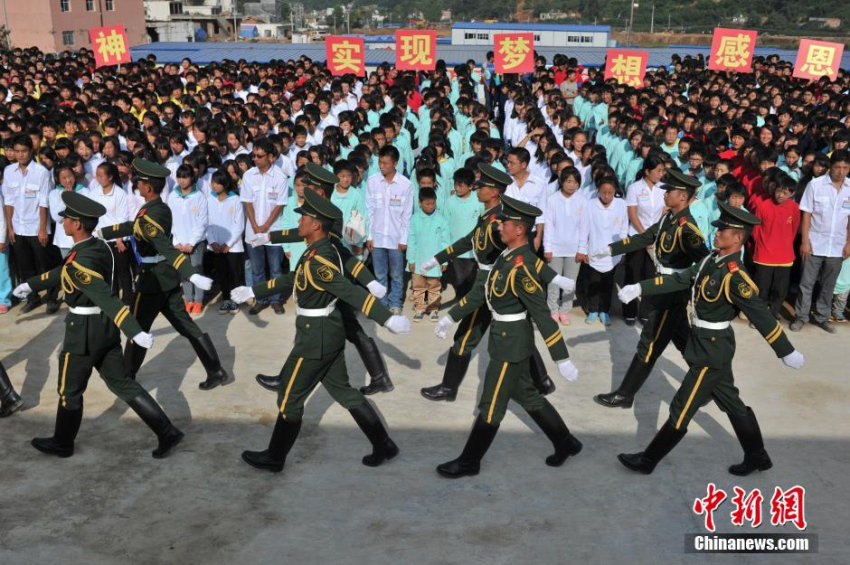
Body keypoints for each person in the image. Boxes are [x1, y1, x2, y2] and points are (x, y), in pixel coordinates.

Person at [230, 189, 411, 473]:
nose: (299, 221)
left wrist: (387, 319)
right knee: (343, 391)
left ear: (316, 225)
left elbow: (349, 291)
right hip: (324, 333)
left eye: (304, 217)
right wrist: (253, 289)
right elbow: (292, 278)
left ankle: (275, 457)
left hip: (317, 337)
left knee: (289, 398)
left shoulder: (320, 259)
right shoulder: (317, 251)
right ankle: (384, 444)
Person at [616, 202, 805, 474]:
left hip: (712, 353)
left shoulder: (735, 277)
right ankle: (758, 456)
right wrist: (640, 287)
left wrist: (785, 350)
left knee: (681, 408)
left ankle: (647, 461)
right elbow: (681, 280)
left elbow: (761, 315)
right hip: (704, 345)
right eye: (718, 229)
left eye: (723, 231)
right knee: (730, 400)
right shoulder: (710, 260)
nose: (716, 234)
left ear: (738, 238)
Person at [12, 191, 183, 458]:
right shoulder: (97, 247)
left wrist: (134, 330)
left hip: (83, 333)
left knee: (69, 391)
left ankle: (62, 442)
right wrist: (32, 284)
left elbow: (105, 295)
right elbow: (65, 272)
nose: (63, 222)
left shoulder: (81, 257)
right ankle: (167, 431)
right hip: (105, 329)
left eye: (66, 219)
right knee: (123, 383)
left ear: (77, 224)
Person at [432, 196, 582, 478]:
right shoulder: (507, 256)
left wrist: (561, 357)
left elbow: (541, 313)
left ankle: (469, 462)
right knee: (527, 395)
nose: (499, 227)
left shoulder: (522, 265)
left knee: (491, 405)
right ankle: (566, 442)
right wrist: (450, 317)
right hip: (504, 339)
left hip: (511, 345)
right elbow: (482, 293)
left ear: (520, 230)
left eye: (505, 224)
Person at [419, 164, 574, 402]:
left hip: (491, 285)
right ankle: (542, 381)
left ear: (494, 192)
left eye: (482, 186)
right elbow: (468, 240)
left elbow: (522, 254)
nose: (477, 188)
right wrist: (438, 258)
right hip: (490, 283)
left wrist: (550, 276)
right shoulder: (489, 217)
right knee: (517, 330)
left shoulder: (499, 223)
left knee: (466, 337)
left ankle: (449, 388)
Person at [252, 163, 394, 396]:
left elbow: (343, 253)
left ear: (321, 191)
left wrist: (368, 281)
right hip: (325, 277)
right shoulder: (321, 208)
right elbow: (300, 232)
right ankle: (380, 377)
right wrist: (270, 236)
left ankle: (378, 377)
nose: (307, 189)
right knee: (341, 329)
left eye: (312, 187)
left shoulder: (330, 214)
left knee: (342, 330)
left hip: (328, 280)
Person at [99, 159, 229, 391]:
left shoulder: (151, 212)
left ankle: (127, 376)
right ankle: (215, 369)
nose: (137, 185)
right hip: (166, 277)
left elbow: (161, 243)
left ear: (148, 187)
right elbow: (134, 226)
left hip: (152, 279)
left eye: (140, 182)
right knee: (185, 325)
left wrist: (190, 273)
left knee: (137, 326)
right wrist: (104, 232)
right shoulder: (157, 208)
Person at [593, 169, 708, 409]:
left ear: (684, 197)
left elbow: (705, 263)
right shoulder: (668, 218)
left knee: (650, 343)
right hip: (663, 288)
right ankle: (710, 385)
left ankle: (625, 394)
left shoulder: (688, 228)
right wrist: (612, 249)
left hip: (671, 292)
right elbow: (646, 237)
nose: (665, 194)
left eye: (670, 192)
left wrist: (688, 284)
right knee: (684, 340)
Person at [790, 150, 850, 334]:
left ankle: (822, 317)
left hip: (838, 246)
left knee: (828, 284)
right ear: (830, 167)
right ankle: (801, 316)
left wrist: (848, 243)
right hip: (814, 244)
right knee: (806, 283)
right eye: (837, 167)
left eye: (845, 167)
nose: (841, 171)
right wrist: (805, 241)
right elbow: (806, 214)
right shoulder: (815, 185)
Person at [2, 134, 59, 313]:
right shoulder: (9, 171)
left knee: (45, 266)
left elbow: (44, 202)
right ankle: (32, 298)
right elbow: (8, 201)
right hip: (18, 228)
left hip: (37, 228)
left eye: (24, 151)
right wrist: (10, 227)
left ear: (31, 151)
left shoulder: (40, 172)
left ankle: (51, 298)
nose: (20, 155)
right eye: (17, 151)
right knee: (25, 267)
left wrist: (42, 229)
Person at [241, 138, 289, 315]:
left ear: (271, 157)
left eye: (259, 156)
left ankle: (276, 300)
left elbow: (280, 204)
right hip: (253, 231)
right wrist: (255, 225)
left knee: (276, 269)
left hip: (274, 231)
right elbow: (247, 202)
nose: (255, 159)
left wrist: (266, 225)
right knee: (257, 269)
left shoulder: (280, 177)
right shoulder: (248, 175)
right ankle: (261, 300)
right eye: (253, 155)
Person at [365, 145, 413, 314]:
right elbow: (369, 211)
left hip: (396, 238)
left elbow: (407, 215)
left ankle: (395, 303)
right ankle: (381, 304)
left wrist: (403, 239)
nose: (381, 166)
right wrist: (369, 236)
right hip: (377, 238)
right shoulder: (372, 182)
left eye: (385, 163)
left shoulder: (405, 185)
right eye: (380, 162)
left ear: (395, 163)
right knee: (379, 275)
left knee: (397, 275)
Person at [576, 177, 628, 326]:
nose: (606, 195)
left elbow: (624, 229)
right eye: (603, 192)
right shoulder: (590, 205)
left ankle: (604, 310)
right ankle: (593, 310)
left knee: (608, 283)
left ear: (615, 192)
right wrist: (582, 250)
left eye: (610, 192)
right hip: (594, 251)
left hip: (613, 254)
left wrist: (623, 250)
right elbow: (584, 229)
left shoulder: (621, 205)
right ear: (598, 191)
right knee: (593, 283)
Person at [543, 167, 584, 325]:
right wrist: (548, 247)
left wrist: (582, 249)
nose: (571, 185)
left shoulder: (582, 200)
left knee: (569, 282)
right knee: (554, 281)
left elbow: (584, 227)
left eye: (575, 182)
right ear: (562, 182)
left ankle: (564, 311)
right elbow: (549, 225)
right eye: (568, 181)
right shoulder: (553, 199)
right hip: (555, 248)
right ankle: (553, 309)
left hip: (574, 249)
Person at [169, 164, 209, 315]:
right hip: (179, 243)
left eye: (185, 177)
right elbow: (171, 220)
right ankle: (189, 300)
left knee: (197, 271)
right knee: (184, 273)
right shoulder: (173, 196)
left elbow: (202, 222)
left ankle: (198, 301)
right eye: (179, 177)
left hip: (196, 243)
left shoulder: (199, 197)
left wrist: (192, 242)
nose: (182, 180)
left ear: (192, 178)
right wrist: (176, 241)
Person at [206, 170, 245, 314]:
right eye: (212, 182)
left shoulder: (235, 200)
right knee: (222, 274)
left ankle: (235, 301)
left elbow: (239, 224)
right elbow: (207, 222)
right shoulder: (209, 199)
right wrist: (213, 242)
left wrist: (229, 243)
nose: (214, 185)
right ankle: (226, 300)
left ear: (225, 184)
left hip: (233, 246)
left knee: (234, 274)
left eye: (217, 183)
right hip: (216, 246)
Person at [408, 187, 449, 321]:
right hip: (419, 259)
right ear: (420, 203)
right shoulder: (415, 219)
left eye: (433, 203)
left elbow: (445, 242)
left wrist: (444, 260)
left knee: (433, 285)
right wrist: (411, 260)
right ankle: (421, 307)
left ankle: (433, 308)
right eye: (427, 203)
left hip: (434, 262)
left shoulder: (441, 220)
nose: (430, 206)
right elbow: (411, 240)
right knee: (419, 285)